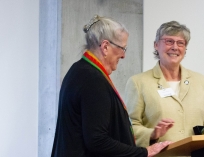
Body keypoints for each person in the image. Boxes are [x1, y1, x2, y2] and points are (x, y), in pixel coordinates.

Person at [51, 15, 173, 157]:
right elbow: (97, 140)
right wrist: (144, 152)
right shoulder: (92, 79)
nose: (123, 56)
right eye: (123, 48)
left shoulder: (79, 70)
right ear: (105, 47)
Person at [125, 21, 204, 148]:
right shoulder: (138, 82)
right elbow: (129, 127)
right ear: (156, 45)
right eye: (169, 41)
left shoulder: (201, 82)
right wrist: (152, 134)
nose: (175, 47)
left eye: (180, 43)